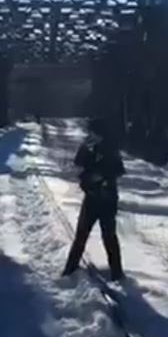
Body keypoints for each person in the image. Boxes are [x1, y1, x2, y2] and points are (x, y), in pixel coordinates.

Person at [62, 117, 125, 281]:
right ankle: (70, 269)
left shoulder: (111, 147)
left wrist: (103, 176)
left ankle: (117, 273)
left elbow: (119, 169)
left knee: (109, 236)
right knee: (81, 235)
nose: (91, 135)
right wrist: (86, 150)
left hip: (107, 198)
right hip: (91, 197)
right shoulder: (87, 146)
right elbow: (78, 163)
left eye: (93, 132)